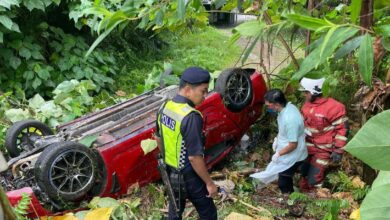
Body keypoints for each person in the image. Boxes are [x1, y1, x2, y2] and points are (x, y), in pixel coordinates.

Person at [155, 67, 218, 220]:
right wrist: (209, 183)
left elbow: (158, 138)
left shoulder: (165, 107)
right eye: (203, 91)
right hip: (190, 176)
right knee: (209, 213)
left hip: (171, 172)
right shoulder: (191, 117)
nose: (205, 96)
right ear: (188, 89)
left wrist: (170, 160)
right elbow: (194, 157)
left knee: (175, 212)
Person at [251, 89, 307, 194]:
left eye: (269, 105)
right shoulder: (286, 108)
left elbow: (293, 144)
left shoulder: (290, 119)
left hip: (294, 154)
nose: (268, 107)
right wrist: (277, 139)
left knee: (284, 179)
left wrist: (278, 153)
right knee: (281, 173)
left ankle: (290, 199)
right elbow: (284, 130)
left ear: (276, 104)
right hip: (286, 150)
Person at [298, 77, 349, 191]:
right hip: (307, 147)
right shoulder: (307, 104)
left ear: (314, 92)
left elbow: (343, 129)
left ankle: (318, 201)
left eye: (306, 92)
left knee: (314, 178)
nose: (304, 95)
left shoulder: (335, 107)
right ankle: (303, 199)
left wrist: (338, 150)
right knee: (304, 173)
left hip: (323, 149)